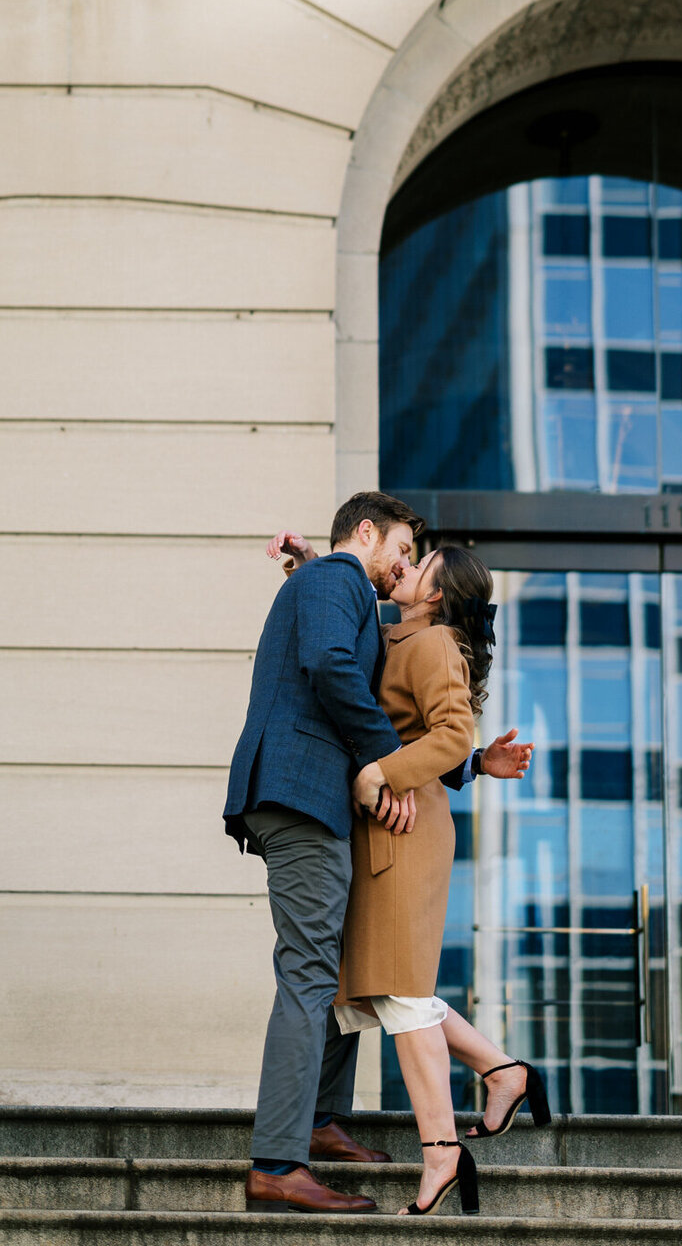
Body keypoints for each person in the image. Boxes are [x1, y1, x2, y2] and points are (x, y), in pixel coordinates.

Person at [223, 494, 534, 1217]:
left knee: (337, 974)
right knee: (318, 974)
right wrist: (382, 760)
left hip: (329, 802)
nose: (405, 561)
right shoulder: (341, 582)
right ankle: (279, 1161)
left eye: (417, 560)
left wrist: (462, 764)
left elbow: (394, 699)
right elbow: (334, 660)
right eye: (403, 545)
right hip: (306, 794)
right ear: (367, 531)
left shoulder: (354, 598)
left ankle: (325, 1123)